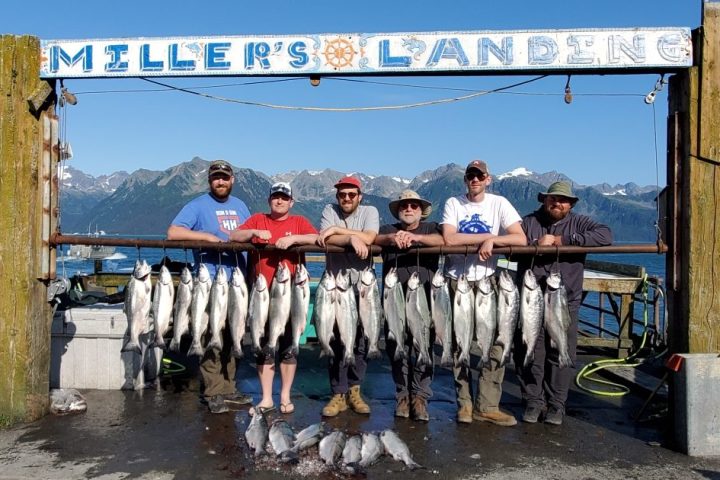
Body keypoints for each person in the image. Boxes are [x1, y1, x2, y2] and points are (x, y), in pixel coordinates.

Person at [514, 181, 612, 425]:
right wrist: (536, 245)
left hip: (565, 301)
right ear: (544, 200)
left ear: (571, 204)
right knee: (530, 351)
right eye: (553, 199)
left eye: (563, 200)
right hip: (531, 301)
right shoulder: (527, 222)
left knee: (560, 352)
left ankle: (557, 405)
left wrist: (563, 240)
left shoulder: (580, 222)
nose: (558, 203)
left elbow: (606, 235)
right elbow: (510, 250)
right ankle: (533, 401)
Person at [441, 159, 527, 425]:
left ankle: (488, 405)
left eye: (480, 176)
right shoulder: (453, 203)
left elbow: (520, 238)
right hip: (457, 281)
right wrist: (485, 238)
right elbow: (450, 238)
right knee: (459, 344)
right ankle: (464, 404)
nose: (475, 180)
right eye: (470, 176)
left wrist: (494, 239)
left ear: (488, 179)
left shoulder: (499, 203)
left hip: (489, 281)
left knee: (497, 343)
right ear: (465, 179)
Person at [167, 159, 253, 414]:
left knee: (232, 335)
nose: (220, 181)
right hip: (209, 283)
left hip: (237, 283)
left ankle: (229, 388)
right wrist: (205, 237)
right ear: (209, 180)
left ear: (232, 180)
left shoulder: (241, 206)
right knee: (209, 333)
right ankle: (213, 391)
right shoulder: (197, 206)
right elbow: (173, 232)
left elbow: (249, 234)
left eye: (224, 177)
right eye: (216, 177)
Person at [228, 182, 318, 415]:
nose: (279, 201)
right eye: (275, 197)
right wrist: (254, 233)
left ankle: (285, 396)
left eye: (284, 198)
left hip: (291, 294)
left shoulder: (298, 222)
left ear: (291, 202)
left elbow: (316, 238)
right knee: (264, 348)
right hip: (262, 295)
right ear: (269, 200)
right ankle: (267, 397)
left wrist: (294, 239)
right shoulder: (258, 219)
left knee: (289, 346)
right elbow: (235, 235)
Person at [374, 190, 444, 422]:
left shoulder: (432, 227)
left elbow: (442, 241)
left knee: (424, 346)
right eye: (405, 205)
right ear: (398, 210)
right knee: (397, 348)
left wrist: (416, 239)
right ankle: (402, 396)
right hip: (393, 301)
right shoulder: (387, 229)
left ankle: (421, 397)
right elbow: (376, 239)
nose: (409, 208)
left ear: (421, 210)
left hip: (424, 301)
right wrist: (393, 239)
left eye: (414, 205)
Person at [316, 175, 379, 417]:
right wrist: (352, 237)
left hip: (363, 289)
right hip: (336, 288)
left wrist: (340, 230)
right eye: (342, 194)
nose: (346, 198)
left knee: (361, 342)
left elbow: (371, 237)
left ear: (359, 197)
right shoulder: (328, 210)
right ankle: (338, 393)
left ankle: (355, 390)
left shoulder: (370, 210)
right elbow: (326, 238)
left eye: (351, 194)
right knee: (336, 340)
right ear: (337, 197)